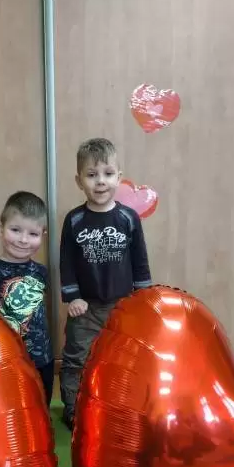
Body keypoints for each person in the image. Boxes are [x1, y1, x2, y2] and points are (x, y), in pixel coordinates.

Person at [59, 138, 152, 429]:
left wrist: (143, 298)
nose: (100, 181)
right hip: (84, 309)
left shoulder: (128, 218)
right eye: (91, 174)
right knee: (76, 359)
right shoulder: (74, 220)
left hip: (121, 306)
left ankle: (121, 407)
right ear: (79, 181)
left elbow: (140, 260)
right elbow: (66, 262)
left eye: (108, 173)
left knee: (123, 360)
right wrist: (73, 297)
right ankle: (74, 410)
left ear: (119, 177)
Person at [0, 191, 54, 406]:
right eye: (15, 230)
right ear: (1, 228)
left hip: (41, 359)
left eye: (33, 234)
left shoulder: (42, 272)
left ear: (42, 235)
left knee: (40, 408)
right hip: (2, 360)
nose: (23, 240)